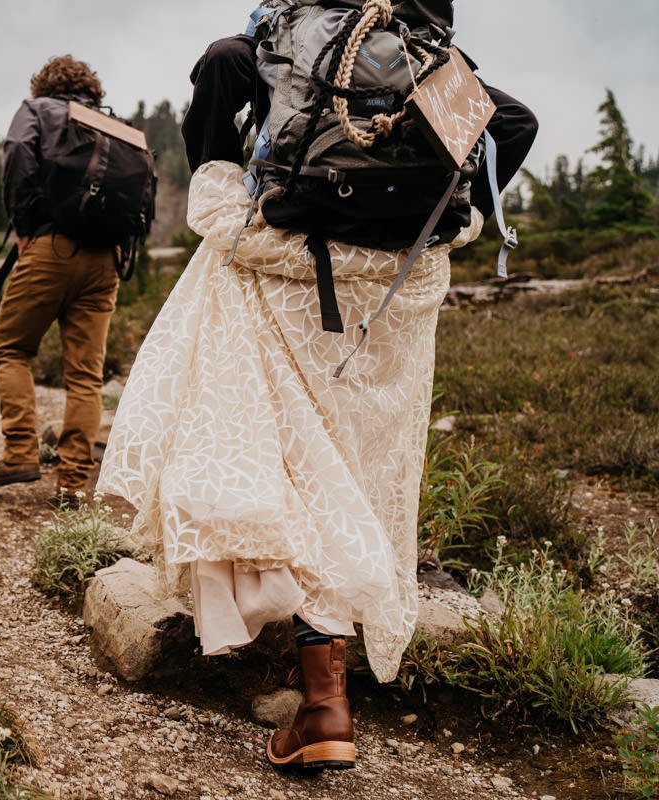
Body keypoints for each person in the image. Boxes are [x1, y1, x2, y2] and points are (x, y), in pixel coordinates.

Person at [98, 1, 536, 772]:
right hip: (395, 297)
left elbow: (216, 75)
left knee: (302, 467)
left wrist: (230, 190)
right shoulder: (423, 56)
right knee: (354, 470)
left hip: (290, 275)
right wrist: (452, 225)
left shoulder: (268, 44)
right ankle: (324, 691)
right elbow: (515, 123)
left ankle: (323, 703)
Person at [0, 56, 122, 507]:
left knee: (11, 347)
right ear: (91, 90)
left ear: (44, 85)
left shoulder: (37, 111)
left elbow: (20, 154)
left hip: (49, 247)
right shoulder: (112, 125)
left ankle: (20, 453)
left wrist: (23, 225)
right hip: (106, 260)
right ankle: (73, 483)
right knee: (85, 374)